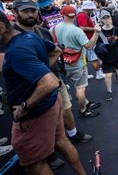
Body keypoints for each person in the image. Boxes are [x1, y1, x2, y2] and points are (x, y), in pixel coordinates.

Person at [0, 9, 86, 174]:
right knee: (61, 140)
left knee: (34, 164)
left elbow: (50, 82)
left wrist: (24, 107)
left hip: (34, 114)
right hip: (50, 103)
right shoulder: (29, 36)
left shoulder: (16, 50)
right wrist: (41, 71)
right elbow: (56, 50)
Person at [51, 6, 102, 118]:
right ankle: (83, 110)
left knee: (72, 86)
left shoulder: (54, 28)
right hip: (77, 63)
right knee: (80, 88)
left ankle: (86, 103)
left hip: (62, 63)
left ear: (62, 15)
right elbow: (89, 46)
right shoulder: (77, 30)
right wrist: (96, 32)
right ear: (75, 16)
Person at [97, 10, 118, 101]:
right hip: (106, 57)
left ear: (111, 18)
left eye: (107, 17)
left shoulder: (116, 29)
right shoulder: (100, 32)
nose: (106, 19)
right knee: (108, 75)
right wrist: (99, 59)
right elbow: (98, 47)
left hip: (117, 55)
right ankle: (109, 92)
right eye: (104, 18)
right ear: (101, 20)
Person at [76, 0, 105, 80]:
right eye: (91, 8)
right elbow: (82, 28)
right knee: (94, 58)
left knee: (85, 58)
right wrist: (94, 29)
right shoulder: (82, 15)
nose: (92, 10)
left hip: (87, 39)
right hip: (88, 40)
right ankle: (99, 73)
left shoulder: (83, 15)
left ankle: (85, 74)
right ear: (88, 8)